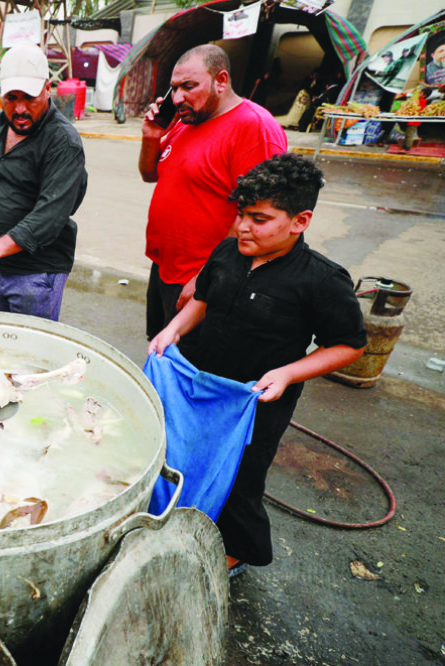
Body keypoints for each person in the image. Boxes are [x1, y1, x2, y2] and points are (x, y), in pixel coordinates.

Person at [148, 153, 367, 575]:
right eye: (241, 215)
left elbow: (349, 345)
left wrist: (288, 373)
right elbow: (203, 300)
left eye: (260, 219)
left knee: (241, 478)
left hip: (257, 400)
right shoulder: (229, 252)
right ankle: (177, 515)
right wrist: (173, 330)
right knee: (183, 452)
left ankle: (235, 551)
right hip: (204, 384)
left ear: (300, 221)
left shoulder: (321, 280)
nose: (244, 226)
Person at [139, 44, 286, 359]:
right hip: (166, 267)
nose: (177, 98)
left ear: (221, 80)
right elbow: (150, 174)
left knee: (193, 368)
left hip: (205, 281)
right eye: (174, 88)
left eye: (189, 87)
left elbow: (258, 216)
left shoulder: (254, 128)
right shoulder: (185, 120)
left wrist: (208, 275)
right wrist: (151, 136)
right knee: (163, 355)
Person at [0, 44, 87, 321]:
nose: (19, 108)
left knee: (30, 351)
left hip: (35, 274)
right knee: (5, 341)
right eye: (11, 97)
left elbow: (49, 217)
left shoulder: (63, 142)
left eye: (29, 97)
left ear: (47, 88)